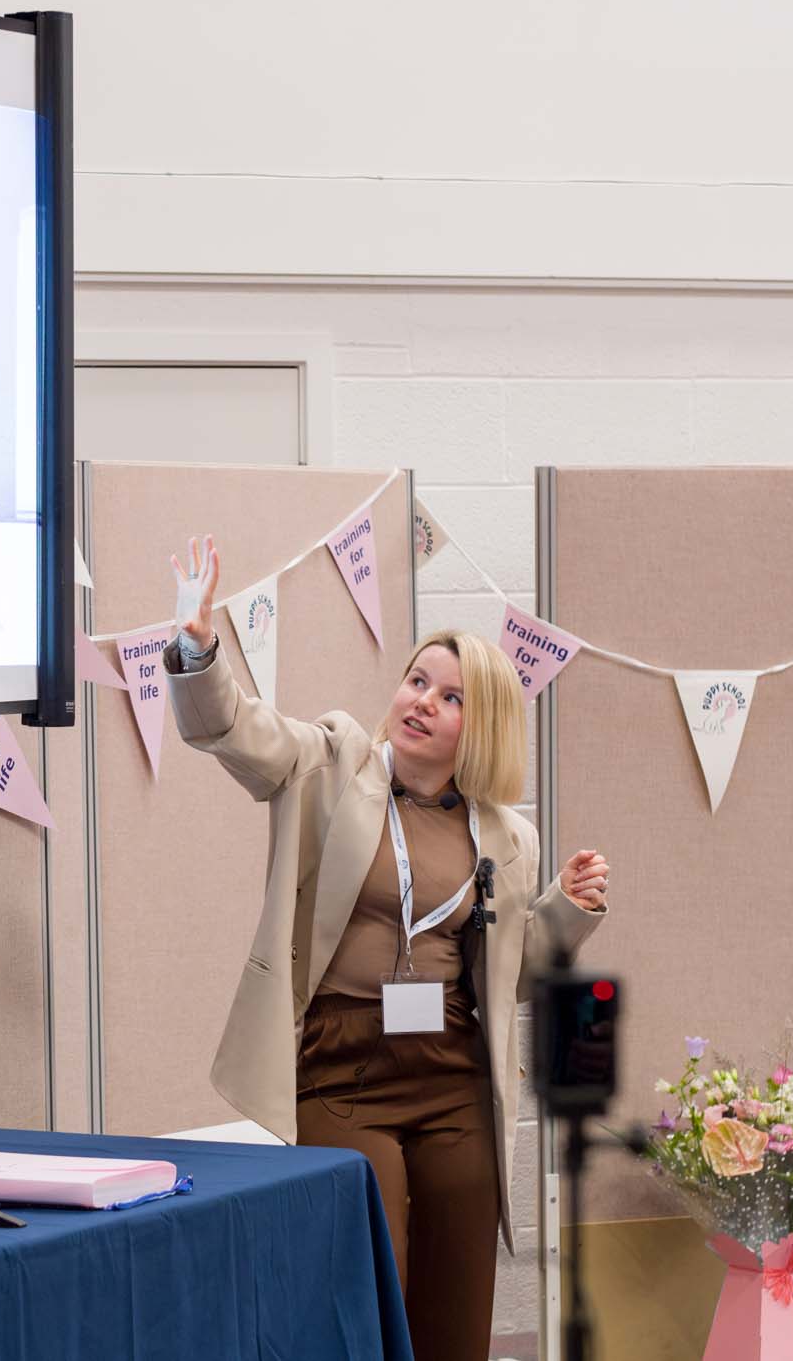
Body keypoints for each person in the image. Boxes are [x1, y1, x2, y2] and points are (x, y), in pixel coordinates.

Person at [163, 533, 611, 1361]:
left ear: (484, 727)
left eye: (449, 696)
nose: (420, 701)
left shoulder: (509, 838)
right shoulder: (332, 762)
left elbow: (511, 973)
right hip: (344, 1071)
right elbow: (237, 730)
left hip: (451, 1078)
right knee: (368, 1289)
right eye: (416, 681)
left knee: (456, 1294)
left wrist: (567, 911)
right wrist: (198, 651)